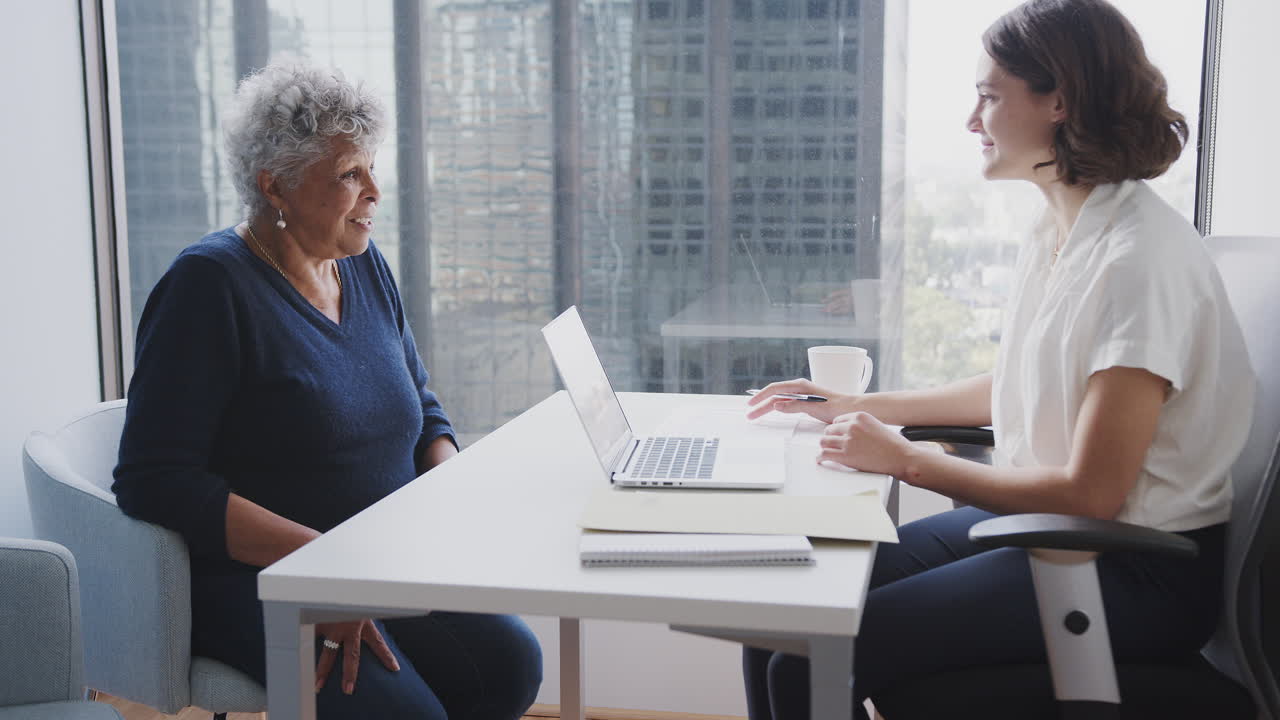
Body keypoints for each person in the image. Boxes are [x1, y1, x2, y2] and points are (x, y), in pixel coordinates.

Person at [742, 0, 1255, 717]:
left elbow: (1090, 494)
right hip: (1064, 536)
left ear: (1060, 101)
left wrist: (904, 459)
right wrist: (860, 407)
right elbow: (1015, 383)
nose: (972, 120)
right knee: (782, 608)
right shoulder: (1060, 228)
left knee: (811, 655)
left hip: (1131, 567)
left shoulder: (1141, 260)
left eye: (988, 96)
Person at [113, 63, 542, 720]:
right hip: (261, 577)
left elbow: (424, 409)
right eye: (350, 174)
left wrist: (449, 503)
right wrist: (325, 569)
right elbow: (154, 479)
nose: (375, 192)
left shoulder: (364, 263)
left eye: (371, 169)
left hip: (377, 560)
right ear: (275, 186)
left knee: (509, 666)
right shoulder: (208, 288)